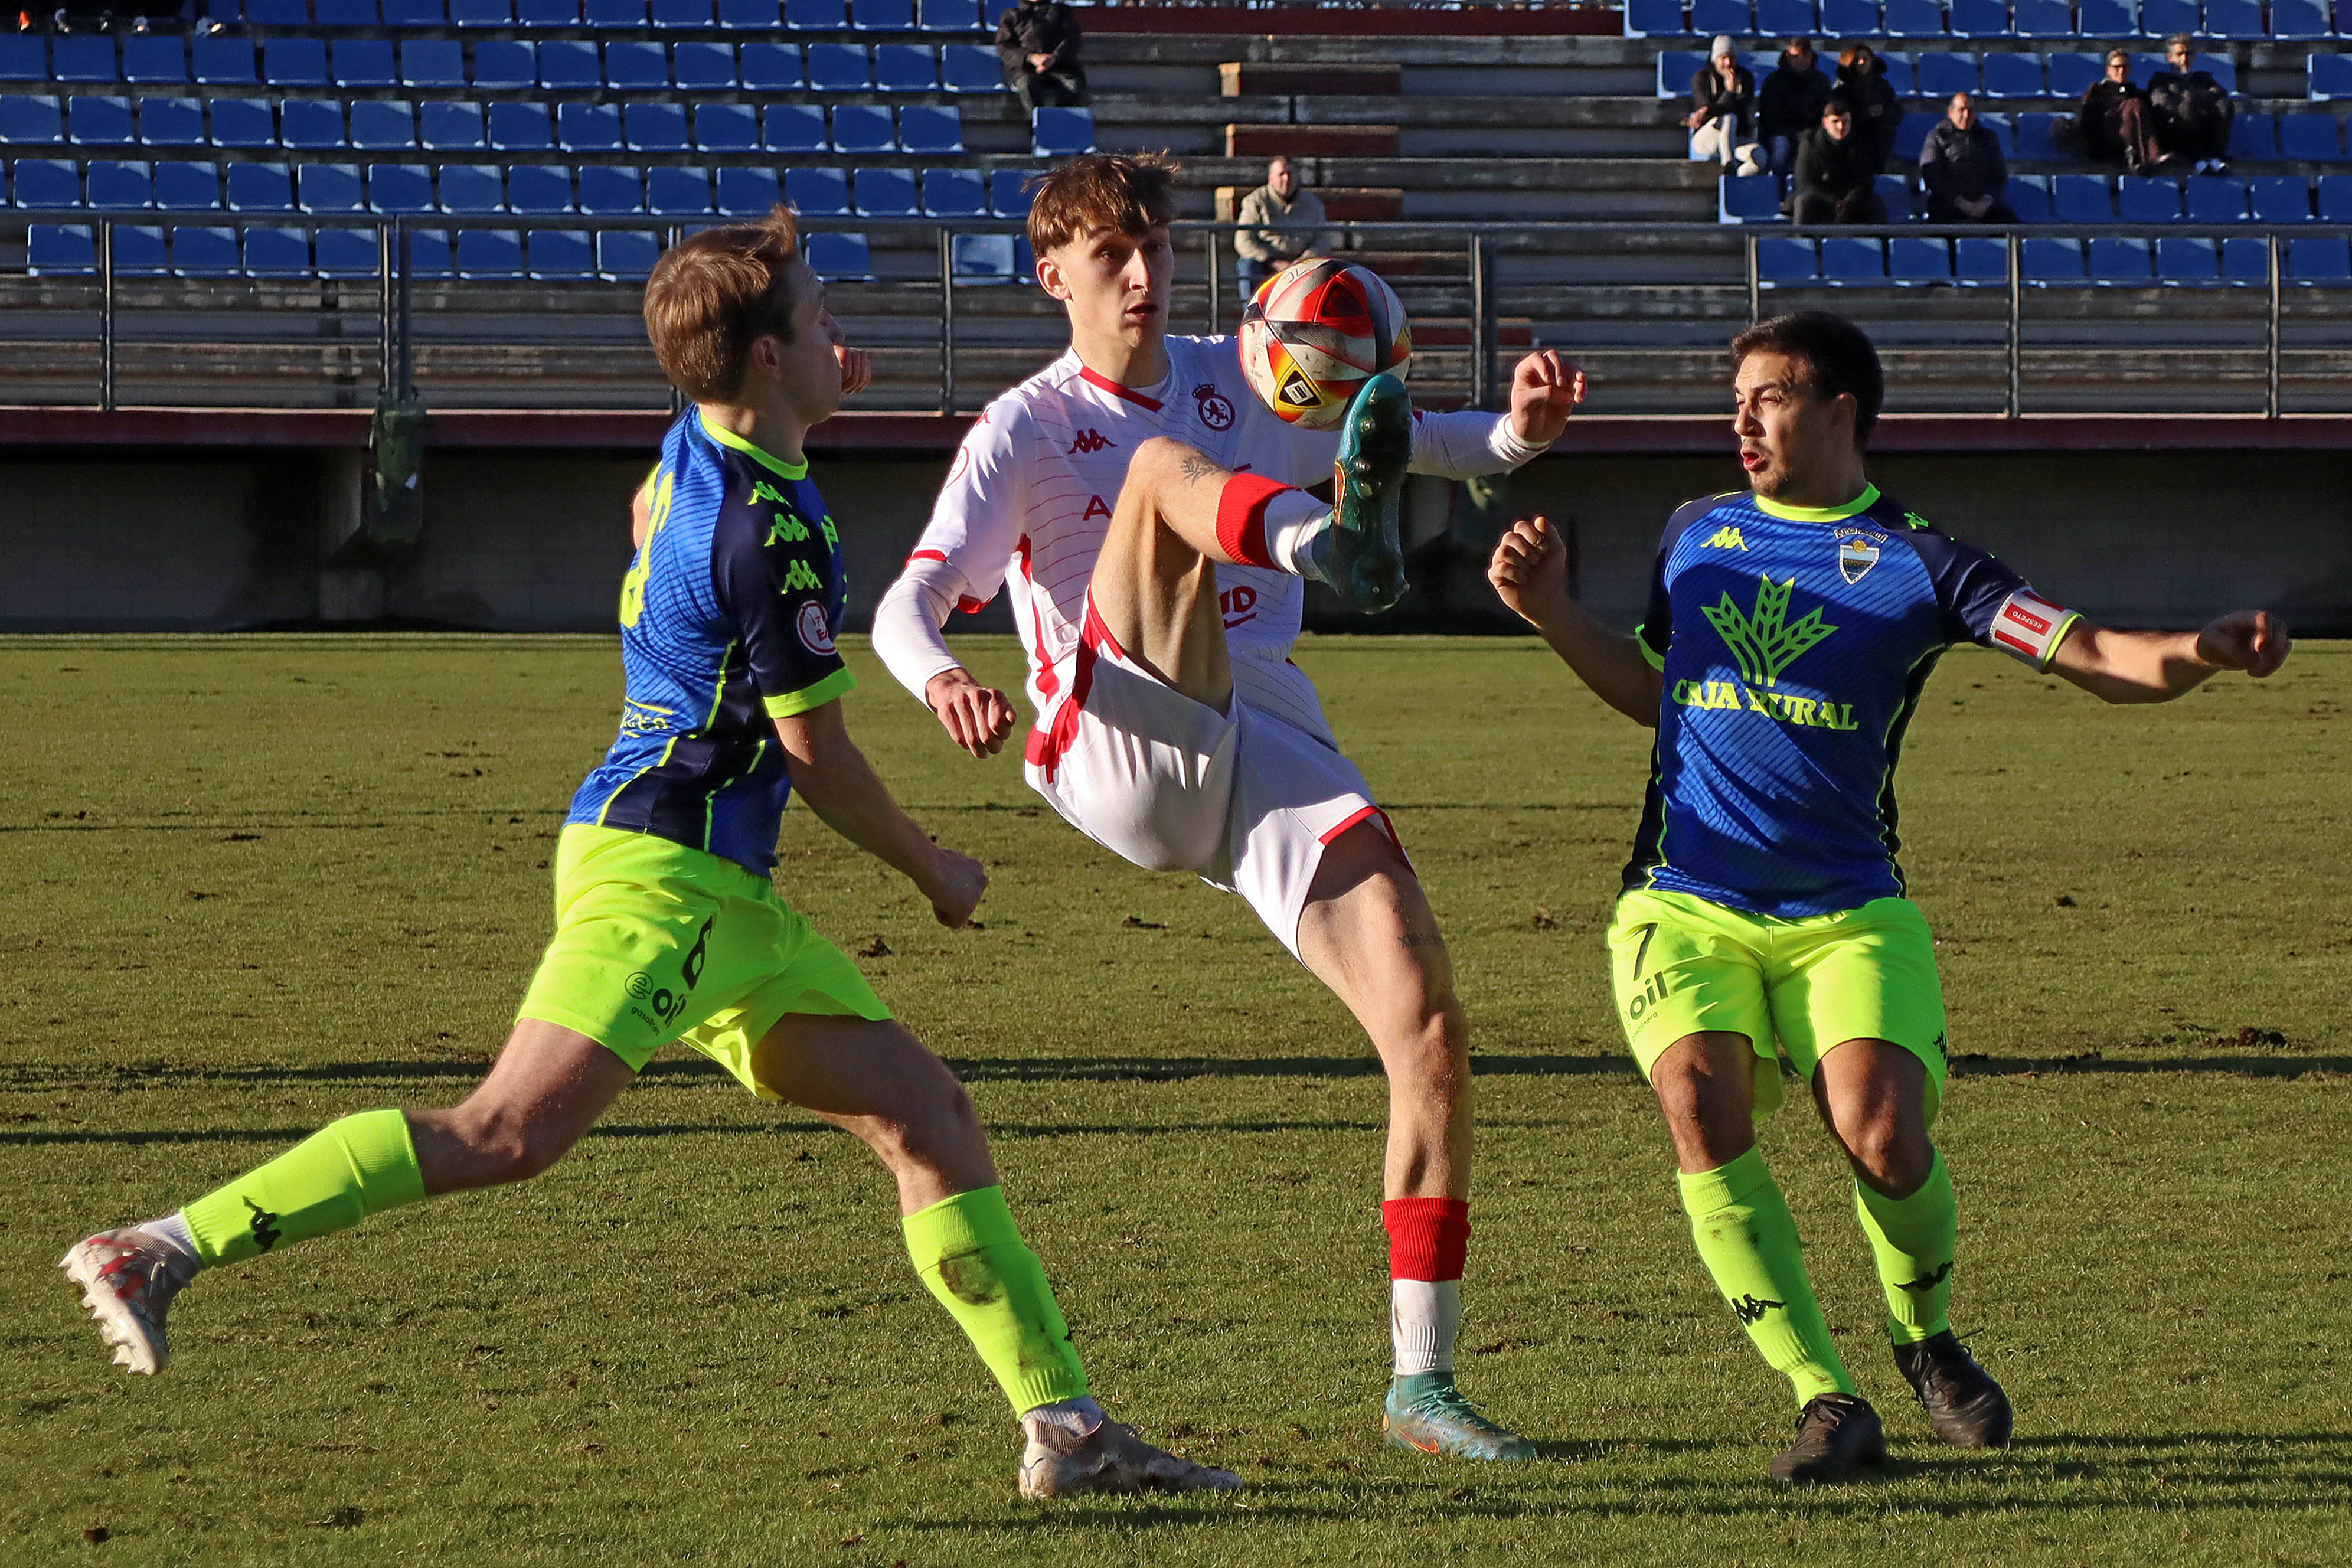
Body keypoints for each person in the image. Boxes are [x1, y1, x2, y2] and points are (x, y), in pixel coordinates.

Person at [57, 207, 1238, 1505]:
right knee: (504, 1131)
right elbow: (815, 757)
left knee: (928, 1116)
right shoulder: (768, 533)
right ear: (766, 361)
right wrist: (930, 865)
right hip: (664, 875)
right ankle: (160, 1245)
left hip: (715, 889)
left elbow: (653, 505)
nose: (838, 326)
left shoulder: (704, 450)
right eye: (813, 315)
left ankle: (1069, 1432)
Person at [1488, 309, 2291, 1486]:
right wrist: (1556, 614)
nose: (1741, 418)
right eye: (1738, 397)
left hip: (1849, 909)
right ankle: (1823, 1395)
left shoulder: (1926, 563)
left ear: (1840, 412)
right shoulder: (1694, 533)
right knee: (1700, 1104)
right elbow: (1661, 696)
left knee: (1881, 1133)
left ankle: (1925, 1335)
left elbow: (2093, 654)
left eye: (1768, 396)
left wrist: (2199, 652)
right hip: (1683, 897)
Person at [870, 152, 1586, 1464]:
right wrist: (938, 682)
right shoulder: (1024, 427)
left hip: (1267, 725)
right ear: (1055, 280)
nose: (1141, 275)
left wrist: (1522, 432)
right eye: (1109, 258)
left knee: (1425, 1018)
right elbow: (903, 605)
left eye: (1150, 247)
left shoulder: (1236, 364)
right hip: (1112, 731)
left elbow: (1417, 435)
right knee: (1158, 472)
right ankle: (1329, 544)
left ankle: (1420, 1384)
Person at [1233, 154, 1341, 297]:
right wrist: (1273, 262)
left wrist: (1305, 260)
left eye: (1290, 174)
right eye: (1281, 174)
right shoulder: (1255, 201)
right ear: (1270, 178)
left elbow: (1323, 240)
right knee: (1247, 267)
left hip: (1304, 265)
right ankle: (1251, 315)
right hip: (1266, 264)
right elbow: (1243, 240)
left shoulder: (1313, 204)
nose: (1287, 179)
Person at [1920, 92, 2016, 224]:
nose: (1966, 115)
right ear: (1950, 112)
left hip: (1985, 205)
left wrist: (1987, 201)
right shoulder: (1937, 137)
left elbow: (1998, 173)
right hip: (1948, 205)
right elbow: (1932, 174)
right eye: (1961, 110)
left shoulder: (1987, 137)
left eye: (1970, 110)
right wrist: (1958, 201)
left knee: (2014, 227)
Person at [1792, 96, 1887, 226]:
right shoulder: (1810, 144)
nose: (1841, 127)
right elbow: (1805, 183)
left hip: (1852, 201)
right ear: (1825, 123)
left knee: (1876, 206)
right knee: (1803, 203)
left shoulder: (1860, 143)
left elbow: (1864, 181)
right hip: (1822, 200)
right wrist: (1833, 201)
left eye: (1845, 121)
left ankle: (1883, 245)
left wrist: (1849, 202)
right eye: (1835, 122)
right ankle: (1801, 245)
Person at [2149, 32, 2233, 174]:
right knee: (2187, 105)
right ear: (2170, 58)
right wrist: (2198, 97)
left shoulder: (2203, 78)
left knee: (2224, 105)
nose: (2185, 59)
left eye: (2188, 54)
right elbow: (2163, 102)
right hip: (2174, 134)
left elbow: (2220, 94)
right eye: (2180, 54)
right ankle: (2197, 158)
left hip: (2201, 131)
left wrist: (2194, 97)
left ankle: (2215, 156)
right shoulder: (2161, 80)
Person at [2072, 48, 2167, 172]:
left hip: (2127, 142)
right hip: (2105, 140)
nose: (2121, 71)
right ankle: (2147, 157)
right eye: (2117, 67)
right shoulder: (2097, 92)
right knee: (2134, 105)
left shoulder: (2135, 92)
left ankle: (2140, 155)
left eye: (2125, 67)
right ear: (2109, 69)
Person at [1758, 37, 1832, 176]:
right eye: (1796, 57)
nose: (1801, 61)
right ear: (1787, 57)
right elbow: (1769, 120)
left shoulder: (1821, 82)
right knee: (1781, 147)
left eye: (1805, 56)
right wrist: (1795, 134)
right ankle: (1778, 186)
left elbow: (1825, 114)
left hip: (1812, 133)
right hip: (1781, 134)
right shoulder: (1774, 82)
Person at [1687, 35, 1760, 175]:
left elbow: (1743, 108)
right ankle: (1728, 162)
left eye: (1732, 58)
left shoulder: (1745, 78)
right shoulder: (1701, 78)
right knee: (1728, 118)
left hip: (1736, 138)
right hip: (1708, 136)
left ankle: (1731, 179)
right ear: (1715, 59)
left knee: (1759, 157)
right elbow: (1708, 110)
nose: (1728, 63)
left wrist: (1730, 94)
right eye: (1724, 58)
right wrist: (1729, 92)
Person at [996, 0, 1084, 112]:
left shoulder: (1062, 12)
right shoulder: (1012, 15)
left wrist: (1054, 58)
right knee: (1027, 86)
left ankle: (1059, 120)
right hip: (1026, 70)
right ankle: (1038, 124)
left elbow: (1072, 38)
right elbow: (1005, 47)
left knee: (1074, 85)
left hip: (1061, 67)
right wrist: (1031, 57)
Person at [1834, 44, 1900, 174]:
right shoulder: (1840, 90)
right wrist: (1865, 113)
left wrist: (1882, 111)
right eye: (1858, 59)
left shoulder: (1883, 86)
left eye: (1866, 58)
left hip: (1879, 140)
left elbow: (1896, 110)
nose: (1862, 62)